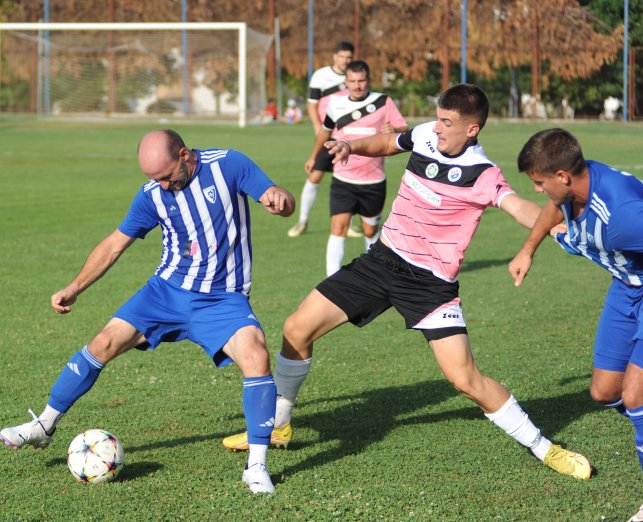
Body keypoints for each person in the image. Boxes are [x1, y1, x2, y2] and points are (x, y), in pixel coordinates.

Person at [222, 84, 593, 483]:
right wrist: (351, 146)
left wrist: (554, 229)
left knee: (464, 379)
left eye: (447, 123)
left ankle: (545, 448)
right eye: (437, 118)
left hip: (430, 285)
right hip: (382, 261)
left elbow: (518, 205)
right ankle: (279, 423)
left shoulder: (483, 174)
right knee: (296, 328)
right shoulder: (424, 136)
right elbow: (387, 142)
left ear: (472, 130)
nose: (437, 128)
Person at [0, 129, 296, 494]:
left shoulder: (228, 164)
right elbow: (113, 245)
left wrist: (281, 199)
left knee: (256, 354)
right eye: (153, 179)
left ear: (185, 155)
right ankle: (44, 426)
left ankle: (256, 466)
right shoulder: (152, 193)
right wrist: (74, 287)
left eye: (166, 176)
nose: (162, 185)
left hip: (222, 298)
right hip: (166, 292)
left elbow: (273, 195)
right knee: (103, 341)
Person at [509, 128, 643, 522]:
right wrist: (527, 250)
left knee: (637, 394)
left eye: (539, 182)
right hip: (626, 288)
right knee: (605, 392)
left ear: (562, 175)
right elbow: (554, 210)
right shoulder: (573, 188)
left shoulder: (622, 211)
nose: (538, 190)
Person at [303, 60, 407, 275]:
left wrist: (394, 128)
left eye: (361, 81)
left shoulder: (383, 102)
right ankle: (331, 280)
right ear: (346, 82)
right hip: (343, 180)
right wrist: (314, 156)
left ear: (368, 80)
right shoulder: (335, 104)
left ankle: (375, 276)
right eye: (352, 81)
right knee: (338, 228)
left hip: (373, 180)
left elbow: (403, 129)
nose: (357, 85)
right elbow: (325, 132)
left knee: (370, 231)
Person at [288, 41, 360, 238]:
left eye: (349, 57)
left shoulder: (354, 76)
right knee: (315, 175)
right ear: (334, 56)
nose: (346, 60)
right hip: (328, 136)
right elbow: (312, 105)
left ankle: (350, 224)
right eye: (342, 56)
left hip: (349, 137)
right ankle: (302, 220)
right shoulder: (321, 76)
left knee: (350, 179)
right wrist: (317, 127)